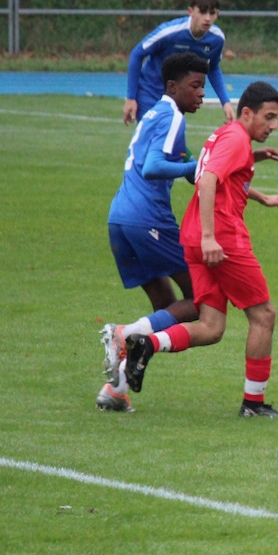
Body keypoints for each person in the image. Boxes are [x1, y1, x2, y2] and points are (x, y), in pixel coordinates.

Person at [122, 81, 278, 417]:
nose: (273, 125)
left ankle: (147, 344)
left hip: (194, 238)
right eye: (269, 117)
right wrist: (211, 237)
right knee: (264, 315)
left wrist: (260, 195)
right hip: (222, 240)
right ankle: (254, 404)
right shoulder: (236, 140)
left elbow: (216, 173)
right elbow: (209, 178)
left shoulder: (227, 135)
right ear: (247, 113)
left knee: (211, 327)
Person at [97, 51, 210, 413]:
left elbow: (188, 163)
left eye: (204, 87)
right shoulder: (172, 117)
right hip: (149, 220)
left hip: (120, 219)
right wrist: (195, 167)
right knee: (200, 299)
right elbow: (153, 167)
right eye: (195, 86)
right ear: (172, 86)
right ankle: (124, 334)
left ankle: (116, 389)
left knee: (165, 312)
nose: (202, 94)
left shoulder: (156, 113)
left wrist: (199, 165)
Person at [123, 0, 235, 126]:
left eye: (212, 13)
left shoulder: (216, 39)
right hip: (150, 93)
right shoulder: (169, 32)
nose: (207, 18)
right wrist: (131, 98)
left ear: (217, 14)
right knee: (158, 136)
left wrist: (225, 102)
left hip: (177, 99)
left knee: (172, 137)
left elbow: (212, 68)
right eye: (202, 12)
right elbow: (137, 53)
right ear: (190, 11)